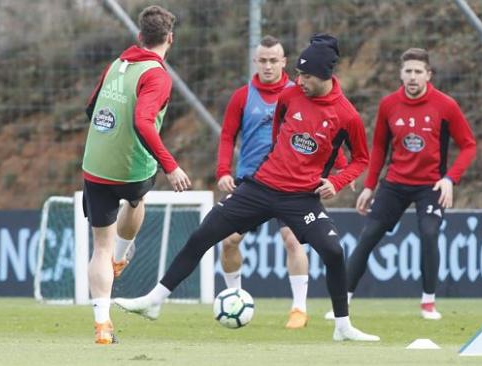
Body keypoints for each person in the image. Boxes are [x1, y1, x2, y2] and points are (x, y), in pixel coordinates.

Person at [115, 34, 380, 342]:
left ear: (324, 75)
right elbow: (280, 130)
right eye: (297, 73)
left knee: (334, 251)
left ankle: (342, 326)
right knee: (204, 234)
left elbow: (362, 159)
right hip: (261, 187)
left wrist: (336, 181)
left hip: (301, 199)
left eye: (305, 75)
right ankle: (154, 301)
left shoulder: (346, 115)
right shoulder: (290, 96)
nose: (298, 80)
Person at [325, 47, 476, 321]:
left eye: (419, 71)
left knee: (429, 234)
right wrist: (370, 186)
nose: (413, 77)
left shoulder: (446, 106)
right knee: (369, 235)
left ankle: (428, 302)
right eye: (408, 71)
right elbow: (380, 147)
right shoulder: (389, 105)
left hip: (431, 185)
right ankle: (342, 300)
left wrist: (449, 179)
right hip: (395, 183)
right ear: (401, 74)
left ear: (428, 75)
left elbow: (468, 145)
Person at [216, 35, 347, 329]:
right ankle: (233, 296)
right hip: (252, 182)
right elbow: (227, 135)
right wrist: (223, 171)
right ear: (255, 61)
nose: (268, 66)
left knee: (291, 240)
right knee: (229, 241)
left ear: (285, 62)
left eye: (273, 60)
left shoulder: (303, 91)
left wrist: (340, 172)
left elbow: (325, 137)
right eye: (262, 60)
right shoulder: (242, 96)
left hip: (293, 185)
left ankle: (298, 308)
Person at [81, 5, 191, 344]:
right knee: (136, 197)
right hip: (131, 168)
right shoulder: (157, 75)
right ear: (169, 39)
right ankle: (122, 255)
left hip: (96, 165)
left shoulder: (117, 64)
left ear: (139, 37)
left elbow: (91, 107)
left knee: (99, 246)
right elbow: (143, 121)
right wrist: (170, 165)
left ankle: (102, 326)